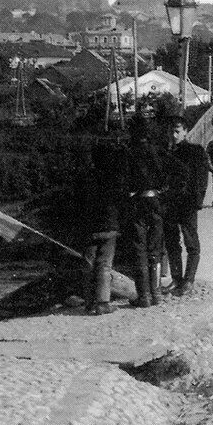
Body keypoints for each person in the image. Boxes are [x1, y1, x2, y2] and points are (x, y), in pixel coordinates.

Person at [164, 118, 211, 296]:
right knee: (172, 242)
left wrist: (198, 200)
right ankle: (176, 279)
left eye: (177, 131)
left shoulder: (195, 151)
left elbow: (202, 178)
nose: (174, 135)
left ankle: (189, 280)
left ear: (185, 131)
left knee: (191, 241)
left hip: (188, 203)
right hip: (171, 203)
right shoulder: (168, 152)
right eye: (171, 131)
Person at [123, 115, 165, 307]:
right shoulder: (154, 151)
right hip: (154, 199)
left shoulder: (130, 152)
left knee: (139, 246)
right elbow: (164, 173)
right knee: (154, 247)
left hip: (138, 200)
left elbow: (127, 180)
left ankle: (144, 296)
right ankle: (156, 293)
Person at [84, 135, 126, 316]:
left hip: (90, 226)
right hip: (109, 226)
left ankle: (88, 302)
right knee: (104, 265)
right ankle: (102, 303)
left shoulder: (86, 177)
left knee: (88, 263)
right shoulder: (114, 177)